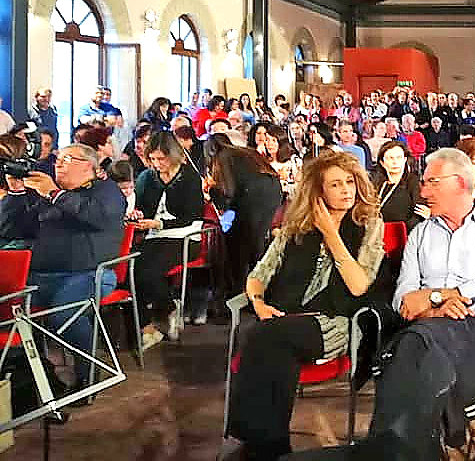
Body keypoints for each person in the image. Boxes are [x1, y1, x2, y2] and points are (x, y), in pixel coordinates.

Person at [227, 150, 385, 460]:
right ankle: (269, 448)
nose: (346, 190)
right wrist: (258, 303)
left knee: (261, 336)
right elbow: (259, 274)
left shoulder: (369, 224)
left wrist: (331, 233)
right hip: (286, 320)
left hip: (337, 321)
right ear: (318, 191)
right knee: (274, 346)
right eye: (336, 184)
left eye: (350, 182)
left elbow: (358, 285)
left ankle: (257, 446)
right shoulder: (296, 226)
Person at [378, 148, 475, 459]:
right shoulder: (420, 234)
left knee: (410, 348)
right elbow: (404, 297)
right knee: (421, 352)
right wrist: (436, 308)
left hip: (474, 329)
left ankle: (387, 447)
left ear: (460, 183)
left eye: (432, 183)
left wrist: (435, 297)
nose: (423, 192)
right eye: (424, 183)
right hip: (423, 327)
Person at [0, 143, 124, 388]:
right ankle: (36, 380)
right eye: (58, 159)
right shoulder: (49, 196)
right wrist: (16, 194)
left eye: (67, 160)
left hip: (89, 273)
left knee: (65, 315)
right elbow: (11, 229)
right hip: (40, 276)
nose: (58, 164)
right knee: (6, 310)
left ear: (88, 166)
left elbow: (98, 217)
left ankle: (88, 374)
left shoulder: (106, 191)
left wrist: (55, 194)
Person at [133, 131, 204, 345]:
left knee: (148, 271)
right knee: (131, 269)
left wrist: (159, 224)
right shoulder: (146, 177)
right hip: (154, 234)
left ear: (172, 155)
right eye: (152, 159)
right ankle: (149, 324)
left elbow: (192, 215)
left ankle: (166, 309)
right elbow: (143, 208)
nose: (157, 164)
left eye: (161, 159)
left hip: (185, 235)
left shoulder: (190, 177)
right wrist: (137, 215)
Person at [207, 144, 283, 299]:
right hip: (273, 189)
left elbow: (227, 195)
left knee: (238, 243)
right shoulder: (244, 152)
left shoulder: (223, 158)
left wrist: (212, 190)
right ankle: (258, 291)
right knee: (256, 243)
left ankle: (237, 292)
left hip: (252, 196)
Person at [371, 141, 428, 230]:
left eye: (399, 157)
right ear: (382, 162)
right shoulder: (376, 184)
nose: (395, 162)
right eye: (390, 158)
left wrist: (400, 230)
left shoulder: (414, 183)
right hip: (377, 232)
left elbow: (419, 215)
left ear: (405, 160)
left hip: (405, 233)